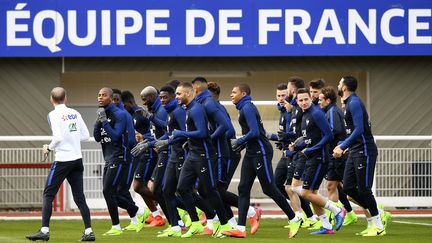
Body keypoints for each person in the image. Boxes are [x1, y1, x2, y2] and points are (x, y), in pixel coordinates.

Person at [223, 83, 302, 239]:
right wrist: (243, 144)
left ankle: (294, 218)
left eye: (234, 92)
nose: (231, 95)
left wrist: (239, 141)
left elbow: (255, 132)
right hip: (252, 152)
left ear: (243, 94)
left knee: (269, 188)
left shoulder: (247, 108)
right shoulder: (243, 107)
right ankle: (240, 228)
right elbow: (252, 133)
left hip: (261, 152)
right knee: (243, 188)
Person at [26, 87, 94, 242]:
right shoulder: (75, 113)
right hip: (77, 159)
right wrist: (72, 137)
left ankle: (44, 231)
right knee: (80, 197)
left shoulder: (53, 114)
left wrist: (48, 147)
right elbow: (85, 136)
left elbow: (57, 137)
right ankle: (89, 231)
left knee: (48, 194)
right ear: (66, 98)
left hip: (63, 160)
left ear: (51, 99)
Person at [173, 82, 232, 238]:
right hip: (192, 155)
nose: (176, 97)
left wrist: (182, 133)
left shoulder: (197, 109)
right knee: (182, 188)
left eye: (178, 94)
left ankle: (225, 225)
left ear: (188, 93)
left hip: (204, 156)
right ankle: (196, 224)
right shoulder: (188, 109)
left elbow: (202, 132)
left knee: (210, 191)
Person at [333, 76, 389, 236]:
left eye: (339, 82)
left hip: (365, 150)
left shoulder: (355, 103)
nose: (338, 84)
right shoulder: (348, 104)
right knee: (349, 187)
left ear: (344, 87)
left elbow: (359, 130)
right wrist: (344, 145)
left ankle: (378, 226)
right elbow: (353, 132)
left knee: (364, 189)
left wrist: (343, 145)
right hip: (354, 151)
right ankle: (373, 221)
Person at [289, 88, 346, 235]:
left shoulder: (316, 113)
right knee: (312, 193)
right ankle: (326, 226)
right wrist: (297, 145)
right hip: (311, 157)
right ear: (297, 101)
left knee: (306, 193)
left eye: (305, 99)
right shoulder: (304, 114)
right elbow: (309, 138)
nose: (303, 102)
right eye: (300, 100)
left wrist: (311, 149)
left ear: (310, 99)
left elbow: (328, 136)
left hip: (320, 158)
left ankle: (337, 210)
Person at [207, 81, 260, 232]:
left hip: (229, 152)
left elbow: (229, 131)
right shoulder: (208, 109)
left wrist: (213, 138)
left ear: (211, 95)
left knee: (218, 189)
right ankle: (230, 223)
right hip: (220, 153)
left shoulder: (218, 108)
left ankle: (250, 212)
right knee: (215, 189)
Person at [318, 87, 358, 226]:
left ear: (328, 100)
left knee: (350, 191)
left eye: (321, 99)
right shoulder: (329, 111)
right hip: (333, 155)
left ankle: (377, 211)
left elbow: (335, 130)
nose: (319, 102)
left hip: (339, 156)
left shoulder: (333, 111)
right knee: (331, 186)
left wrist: (321, 138)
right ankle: (333, 217)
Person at [281, 77, 317, 228]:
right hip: (297, 152)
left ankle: (333, 211)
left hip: (308, 155)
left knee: (306, 190)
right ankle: (302, 217)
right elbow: (298, 134)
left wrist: (303, 147)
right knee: (290, 187)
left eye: (287, 90)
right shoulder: (294, 109)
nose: (285, 94)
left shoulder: (314, 113)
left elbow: (327, 135)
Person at [93, 87, 130, 236]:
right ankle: (137, 211)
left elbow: (115, 137)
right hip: (108, 158)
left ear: (111, 98)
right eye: (99, 95)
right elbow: (97, 138)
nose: (100, 98)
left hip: (119, 157)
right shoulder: (102, 114)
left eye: (103, 95)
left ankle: (116, 226)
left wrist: (104, 121)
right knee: (110, 192)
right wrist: (98, 122)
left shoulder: (119, 114)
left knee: (108, 191)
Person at [111, 89, 146, 232]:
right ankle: (136, 218)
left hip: (133, 156)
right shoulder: (116, 115)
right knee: (121, 190)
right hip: (123, 157)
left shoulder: (134, 115)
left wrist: (141, 138)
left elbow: (133, 139)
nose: (114, 102)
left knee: (120, 190)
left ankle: (144, 213)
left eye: (116, 100)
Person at [134, 86, 169, 227]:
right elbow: (155, 132)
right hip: (159, 152)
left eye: (145, 99)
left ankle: (180, 217)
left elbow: (168, 129)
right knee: (153, 188)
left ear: (152, 97)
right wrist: (148, 140)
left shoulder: (161, 111)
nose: (143, 103)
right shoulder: (152, 111)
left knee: (162, 189)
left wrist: (150, 142)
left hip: (167, 153)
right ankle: (169, 219)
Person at [121, 90, 157, 225]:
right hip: (140, 154)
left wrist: (144, 138)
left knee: (138, 186)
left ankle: (175, 205)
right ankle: (156, 215)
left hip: (148, 153)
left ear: (130, 103)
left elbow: (154, 132)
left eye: (123, 105)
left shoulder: (140, 114)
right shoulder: (129, 115)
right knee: (139, 187)